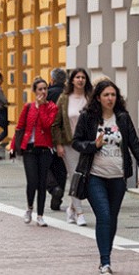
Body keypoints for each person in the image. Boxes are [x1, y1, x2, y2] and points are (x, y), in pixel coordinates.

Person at [72, 80, 139, 275]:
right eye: (106, 95)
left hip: (118, 177)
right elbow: (76, 142)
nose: (110, 98)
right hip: (95, 176)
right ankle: (105, 262)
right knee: (104, 216)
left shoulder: (122, 118)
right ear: (98, 97)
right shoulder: (88, 117)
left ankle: (106, 256)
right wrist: (93, 145)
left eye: (113, 95)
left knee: (112, 218)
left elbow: (134, 144)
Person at [9, 77, 58, 227]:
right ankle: (29, 208)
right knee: (32, 181)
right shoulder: (28, 107)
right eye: (40, 89)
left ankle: (40, 215)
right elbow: (20, 127)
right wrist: (13, 146)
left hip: (44, 149)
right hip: (29, 149)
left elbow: (47, 124)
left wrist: (41, 107)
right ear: (34, 91)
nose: (43, 92)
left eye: (45, 89)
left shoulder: (52, 107)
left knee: (42, 183)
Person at [52, 68, 92, 226]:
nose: (80, 80)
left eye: (83, 77)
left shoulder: (90, 98)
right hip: (69, 144)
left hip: (86, 144)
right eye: (77, 77)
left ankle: (71, 209)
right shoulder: (64, 98)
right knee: (75, 176)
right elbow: (56, 123)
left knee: (83, 178)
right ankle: (80, 213)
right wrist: (58, 144)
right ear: (72, 80)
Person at [45, 67, 69, 211]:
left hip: (48, 135)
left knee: (44, 166)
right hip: (65, 136)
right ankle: (58, 196)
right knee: (61, 168)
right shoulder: (68, 94)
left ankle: (54, 189)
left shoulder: (47, 94)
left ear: (52, 80)